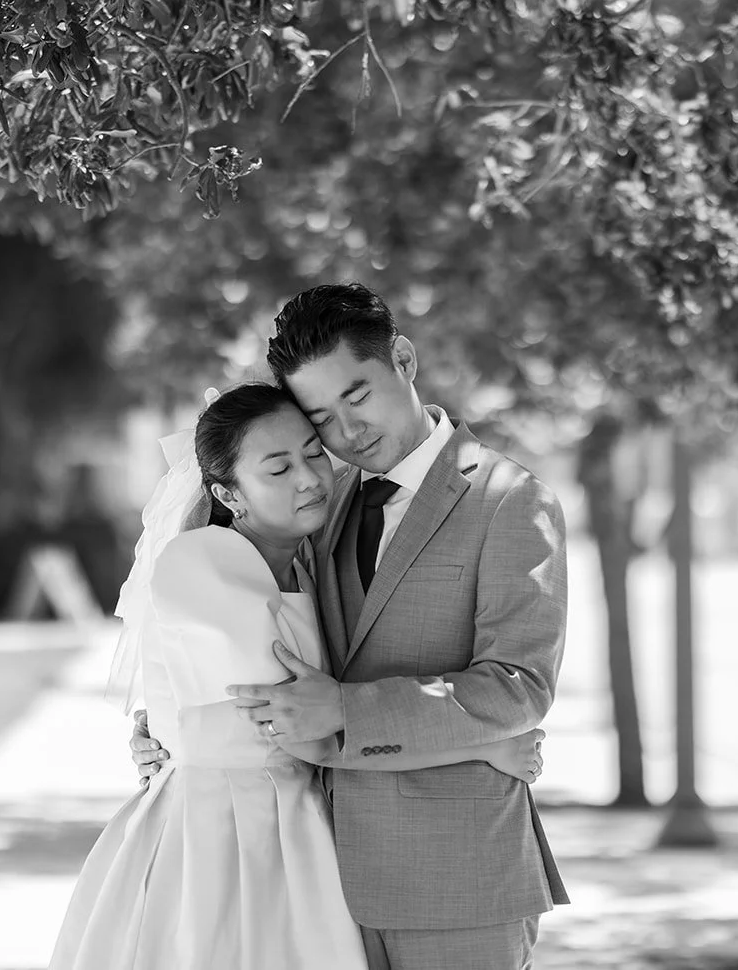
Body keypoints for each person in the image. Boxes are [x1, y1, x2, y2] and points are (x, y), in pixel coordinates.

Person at [132, 283, 570, 970]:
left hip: (458, 881)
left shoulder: (510, 501)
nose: (347, 432)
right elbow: (237, 622)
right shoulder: (319, 498)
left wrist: (345, 712)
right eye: (322, 417)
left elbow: (518, 687)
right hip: (321, 884)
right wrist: (166, 724)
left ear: (403, 357)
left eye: (358, 396)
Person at [51, 383, 545, 970]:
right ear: (227, 493)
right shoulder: (208, 563)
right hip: (226, 837)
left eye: (314, 453)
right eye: (278, 468)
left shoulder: (306, 558)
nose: (310, 477)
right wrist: (484, 747)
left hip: (300, 826)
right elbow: (304, 731)